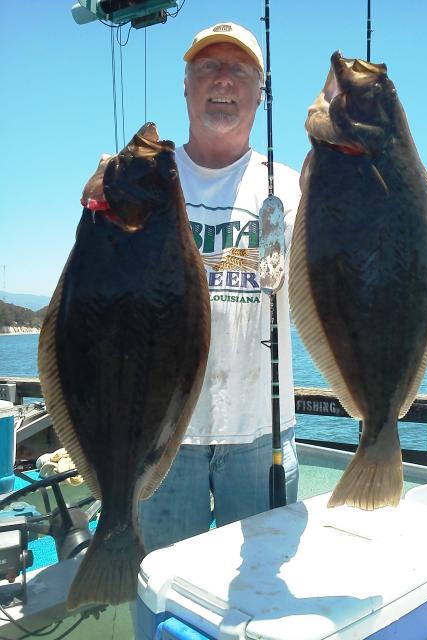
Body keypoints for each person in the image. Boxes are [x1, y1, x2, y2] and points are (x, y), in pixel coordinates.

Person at [84, 22, 302, 552]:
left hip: (260, 435)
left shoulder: (291, 190)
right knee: (157, 584)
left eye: (239, 70)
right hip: (156, 433)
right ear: (186, 85)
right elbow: (94, 304)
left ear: (260, 92)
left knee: (258, 592)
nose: (222, 79)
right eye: (208, 67)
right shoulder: (142, 175)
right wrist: (94, 209)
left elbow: (332, 288)